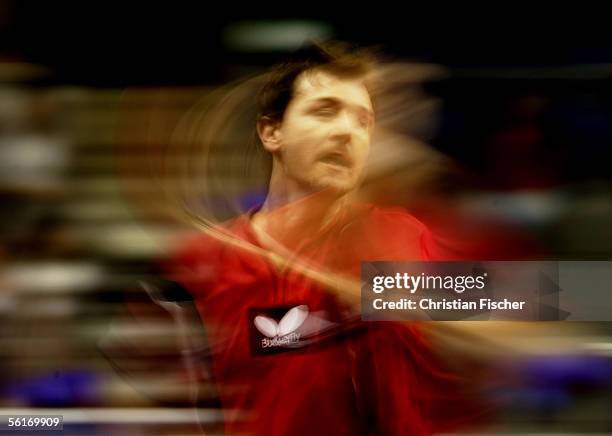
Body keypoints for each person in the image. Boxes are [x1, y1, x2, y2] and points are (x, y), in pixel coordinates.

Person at [165, 41, 481, 435]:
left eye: (363, 121)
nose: (348, 132)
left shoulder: (401, 234)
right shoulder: (206, 258)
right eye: (325, 110)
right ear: (271, 131)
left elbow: (545, 301)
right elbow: (168, 401)